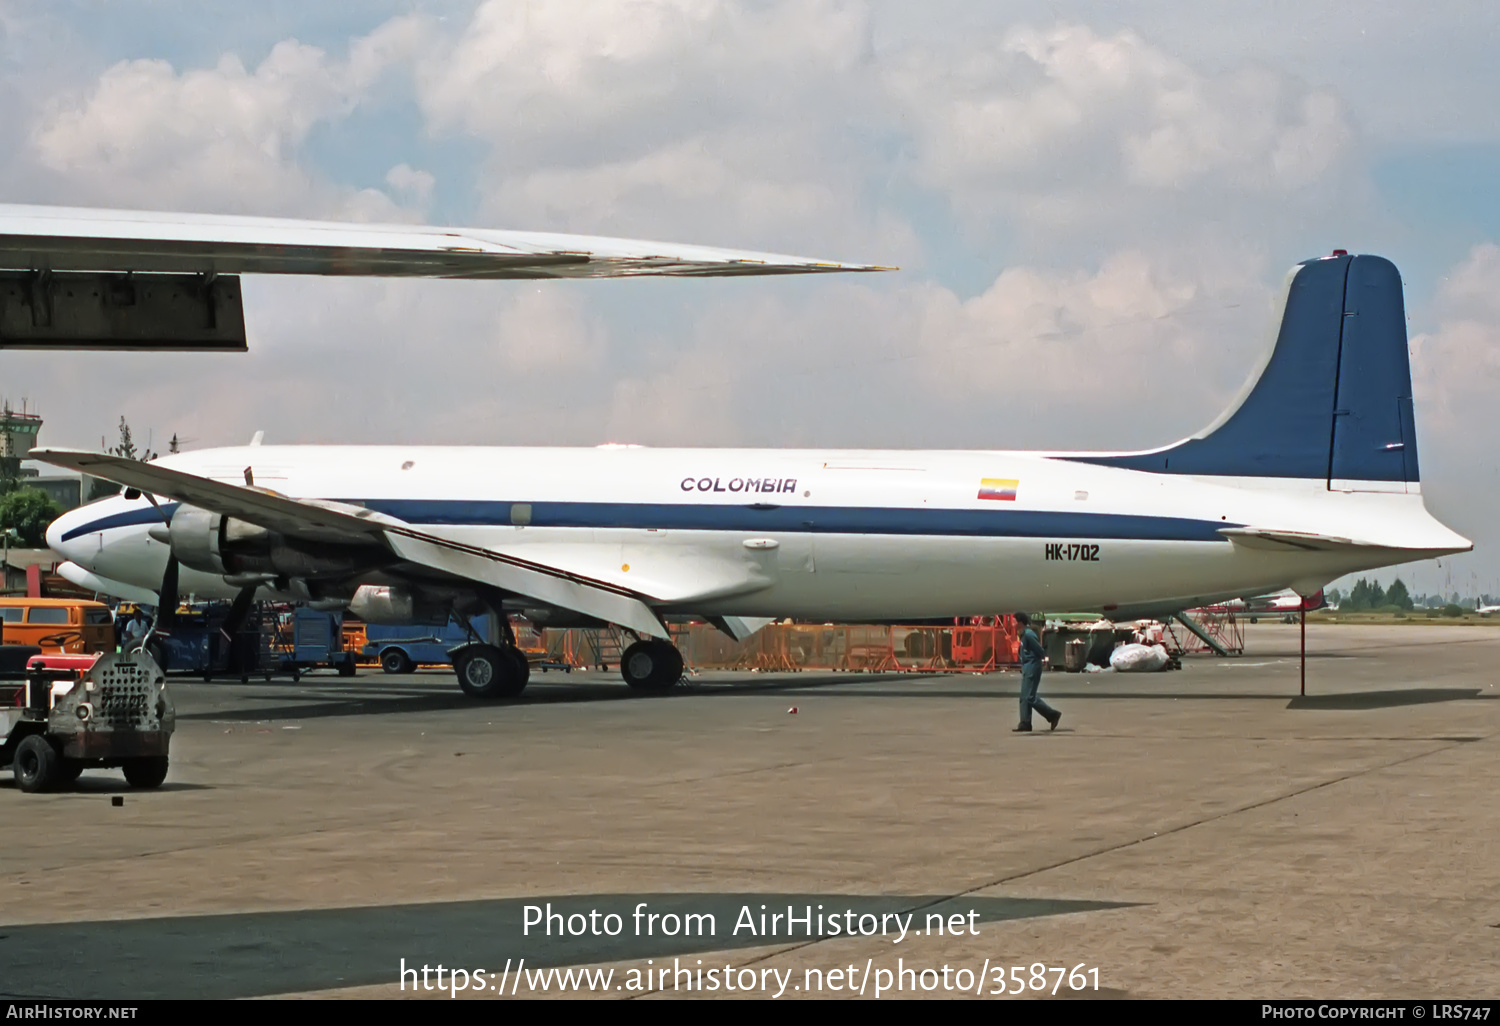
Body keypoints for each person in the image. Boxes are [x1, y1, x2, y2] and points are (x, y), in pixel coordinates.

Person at [1014, 611, 1060, 732]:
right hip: (1027, 667)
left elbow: (1039, 650)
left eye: (1014, 621)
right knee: (1024, 697)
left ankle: (1052, 714)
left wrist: (1038, 660)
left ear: (1020, 622)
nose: (1013, 624)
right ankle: (1025, 723)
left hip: (1032, 667)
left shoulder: (1029, 634)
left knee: (1030, 697)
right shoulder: (1023, 634)